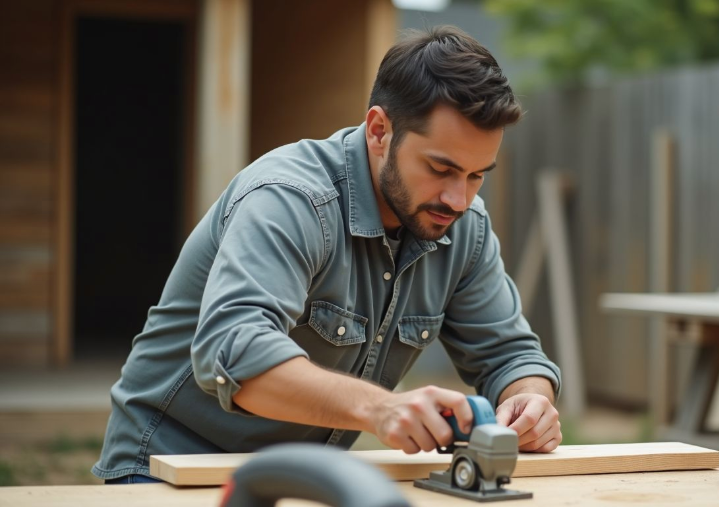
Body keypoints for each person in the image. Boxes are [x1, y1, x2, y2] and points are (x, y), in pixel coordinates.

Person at [94, 25, 562, 484]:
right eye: (441, 168)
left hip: (306, 475)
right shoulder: (289, 198)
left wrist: (529, 399)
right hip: (172, 465)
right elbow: (238, 354)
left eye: (478, 175)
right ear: (379, 130)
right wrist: (380, 407)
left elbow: (510, 354)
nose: (458, 200)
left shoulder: (465, 227)